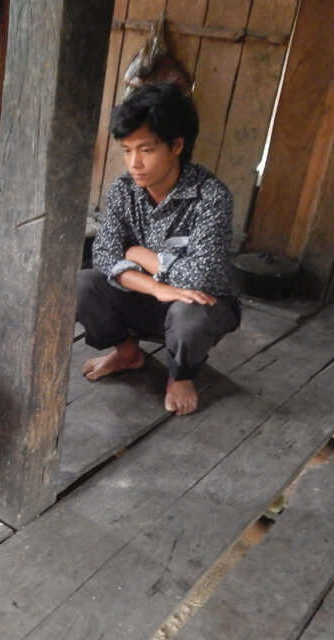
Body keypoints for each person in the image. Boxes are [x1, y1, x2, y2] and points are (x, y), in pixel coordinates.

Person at [76, 82, 240, 416]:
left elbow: (200, 275)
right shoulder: (124, 189)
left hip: (202, 303)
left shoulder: (211, 196)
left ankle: (181, 376)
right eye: (126, 150)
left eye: (146, 150)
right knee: (83, 284)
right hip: (147, 295)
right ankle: (127, 353)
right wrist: (155, 287)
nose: (134, 162)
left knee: (189, 315)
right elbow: (105, 254)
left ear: (176, 145)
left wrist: (139, 254)